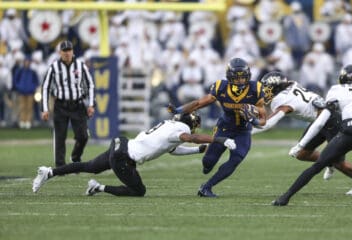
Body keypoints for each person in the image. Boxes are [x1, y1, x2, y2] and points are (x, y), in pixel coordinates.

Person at [272, 64, 352, 206]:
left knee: (317, 166)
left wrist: (301, 145)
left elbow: (320, 123)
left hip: (348, 133)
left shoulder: (336, 90)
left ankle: (285, 198)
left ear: (343, 78)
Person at [32, 113, 237, 196]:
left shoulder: (169, 125)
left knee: (87, 166)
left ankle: (49, 172)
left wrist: (198, 151)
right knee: (139, 191)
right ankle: (98, 187)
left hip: (121, 144)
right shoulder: (181, 130)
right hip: (124, 158)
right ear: (191, 124)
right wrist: (218, 140)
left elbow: (173, 150)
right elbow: (190, 138)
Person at [253, 71, 352, 195]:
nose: (265, 91)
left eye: (268, 88)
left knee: (339, 163)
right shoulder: (292, 84)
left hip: (332, 121)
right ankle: (328, 161)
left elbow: (270, 123)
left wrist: (249, 131)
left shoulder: (283, 100)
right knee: (302, 154)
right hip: (319, 121)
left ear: (277, 87)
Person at [168, 57, 267, 197]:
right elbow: (199, 103)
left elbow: (263, 118)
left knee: (236, 159)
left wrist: (253, 121)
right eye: (237, 78)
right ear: (230, 77)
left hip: (243, 131)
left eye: (243, 77)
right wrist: (179, 110)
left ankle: (207, 187)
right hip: (224, 128)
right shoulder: (221, 86)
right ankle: (207, 166)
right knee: (208, 162)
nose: (241, 81)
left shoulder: (255, 88)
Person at [41, 40, 96, 167]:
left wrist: (91, 104)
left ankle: (75, 157)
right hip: (61, 105)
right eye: (64, 51)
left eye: (69, 50)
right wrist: (45, 109)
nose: (67, 53)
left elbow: (90, 85)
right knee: (60, 137)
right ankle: (60, 166)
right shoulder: (54, 67)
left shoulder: (81, 66)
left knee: (83, 136)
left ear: (73, 51)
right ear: (60, 52)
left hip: (78, 105)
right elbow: (45, 87)